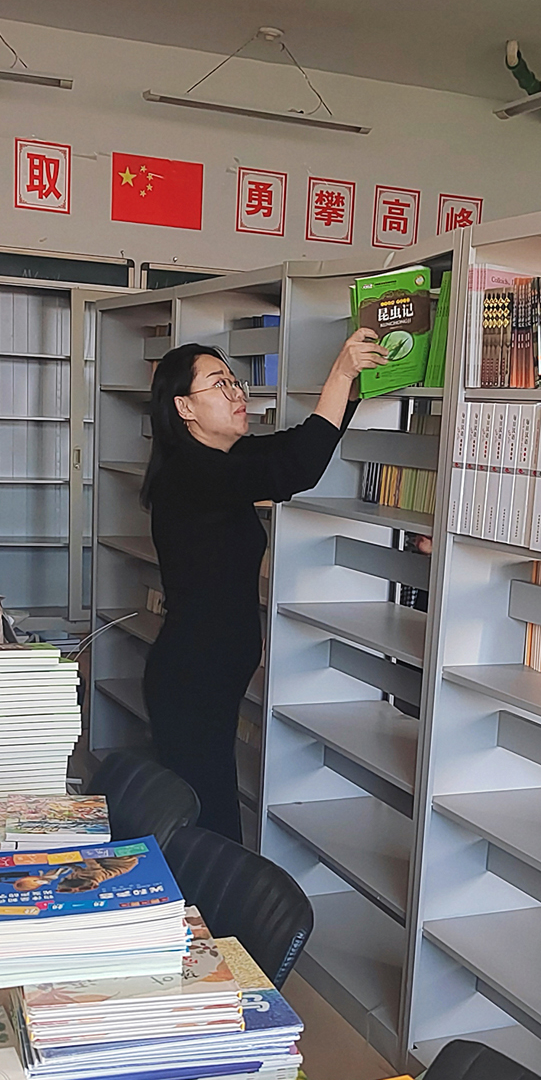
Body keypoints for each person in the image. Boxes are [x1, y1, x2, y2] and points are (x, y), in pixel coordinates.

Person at [142, 330, 387, 842]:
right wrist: (340, 372)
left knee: (206, 812)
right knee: (207, 825)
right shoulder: (189, 475)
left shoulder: (222, 460)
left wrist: (354, 385)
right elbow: (294, 469)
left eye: (235, 382)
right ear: (184, 407)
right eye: (219, 384)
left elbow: (300, 446)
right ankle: (202, 897)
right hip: (192, 678)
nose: (237, 393)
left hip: (208, 674)